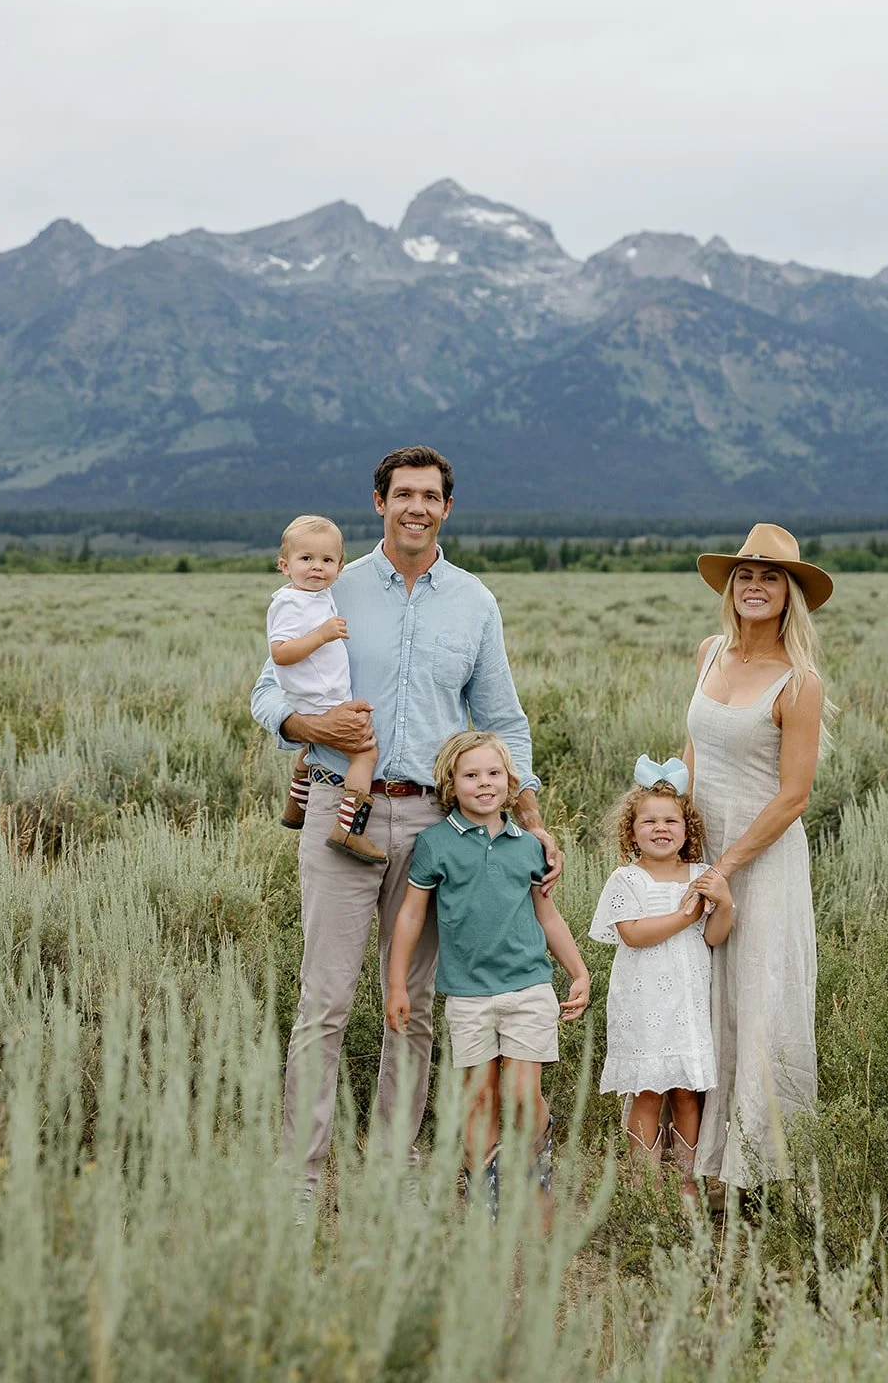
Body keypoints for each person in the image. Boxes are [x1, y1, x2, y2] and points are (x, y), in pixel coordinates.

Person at [249, 446, 560, 1199]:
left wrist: (532, 819)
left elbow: (501, 720)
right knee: (323, 999)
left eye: (430, 495)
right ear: (379, 502)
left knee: (414, 1004)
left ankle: (390, 1163)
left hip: (433, 822)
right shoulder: (331, 586)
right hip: (338, 807)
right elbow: (267, 695)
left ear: (446, 507)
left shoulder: (473, 602)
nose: (416, 507)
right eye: (403, 494)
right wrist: (314, 726)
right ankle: (303, 1173)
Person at [684, 523, 834, 1197]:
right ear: (730, 587)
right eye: (745, 575)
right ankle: (703, 1159)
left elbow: (792, 795)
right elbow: (693, 750)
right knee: (702, 995)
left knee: (758, 1000)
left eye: (769, 577)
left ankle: (757, 1170)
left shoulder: (798, 684)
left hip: (761, 861)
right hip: (701, 851)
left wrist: (728, 865)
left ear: (789, 595)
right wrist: (680, 836)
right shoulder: (708, 652)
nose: (753, 586)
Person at [386, 731, 589, 1219]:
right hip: (468, 995)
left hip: (528, 987)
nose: (484, 783)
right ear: (450, 785)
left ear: (510, 782)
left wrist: (578, 971)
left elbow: (549, 917)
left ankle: (538, 1183)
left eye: (494, 774)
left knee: (522, 1094)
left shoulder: (529, 847)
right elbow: (411, 916)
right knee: (479, 1098)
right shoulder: (434, 844)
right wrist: (397, 984)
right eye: (471, 775)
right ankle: (485, 1202)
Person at [589, 757, 732, 1200]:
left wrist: (723, 904)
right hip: (642, 1001)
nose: (660, 828)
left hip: (688, 1000)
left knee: (688, 1092)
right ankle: (645, 1185)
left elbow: (711, 936)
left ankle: (689, 1181)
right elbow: (632, 935)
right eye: (648, 821)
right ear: (631, 832)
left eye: (671, 820)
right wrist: (682, 914)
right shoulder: (626, 879)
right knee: (648, 1090)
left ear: (687, 830)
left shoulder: (699, 876)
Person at [267, 514, 381, 863]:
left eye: (327, 560)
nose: (317, 568)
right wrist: (322, 635)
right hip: (321, 698)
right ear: (285, 566)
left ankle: (296, 805)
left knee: (311, 749)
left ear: (340, 566)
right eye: (306, 559)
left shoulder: (316, 595)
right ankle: (348, 828)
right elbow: (280, 653)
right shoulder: (291, 603)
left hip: (318, 694)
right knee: (365, 752)